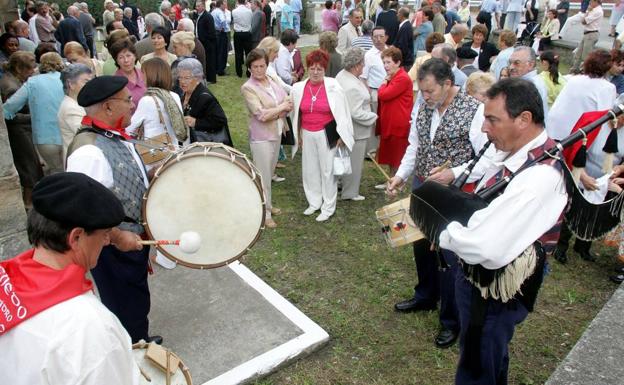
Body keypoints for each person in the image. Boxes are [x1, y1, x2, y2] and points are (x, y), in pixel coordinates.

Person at [420, 77, 566, 385]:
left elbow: (486, 248)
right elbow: (486, 170)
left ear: (524, 119)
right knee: (489, 354)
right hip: (488, 285)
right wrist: (454, 176)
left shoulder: (537, 179)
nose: (484, 128)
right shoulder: (523, 152)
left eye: (492, 119)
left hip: (493, 290)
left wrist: (442, 232)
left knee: (478, 358)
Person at [0, 172, 143, 384]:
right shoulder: (89, 329)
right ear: (76, 237)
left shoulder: (6, 278)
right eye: (104, 233)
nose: (106, 241)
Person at [386, 58, 486, 350]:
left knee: (449, 256)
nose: (425, 96)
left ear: (447, 84)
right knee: (421, 243)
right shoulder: (424, 106)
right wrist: (401, 175)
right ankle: (425, 295)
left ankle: (451, 320)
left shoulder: (474, 111)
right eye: (422, 91)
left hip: (454, 193)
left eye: (429, 91)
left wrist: (453, 173)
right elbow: (415, 146)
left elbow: (485, 158)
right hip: (423, 185)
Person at [65, 75, 161, 345]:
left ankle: (139, 338)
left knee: (136, 296)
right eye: (128, 100)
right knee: (123, 302)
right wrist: (119, 238)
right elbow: (85, 210)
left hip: (130, 239)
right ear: (108, 107)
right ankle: (132, 351)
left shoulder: (111, 135)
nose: (133, 105)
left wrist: (155, 174)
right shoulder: (88, 152)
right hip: (113, 246)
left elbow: (124, 176)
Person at [291, 49, 354, 222]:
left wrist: (342, 135)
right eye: (312, 68)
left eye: (319, 68)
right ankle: (314, 201)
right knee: (310, 169)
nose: (315, 72)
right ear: (308, 68)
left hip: (327, 132)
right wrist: (299, 134)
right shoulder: (298, 88)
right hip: (307, 131)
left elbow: (343, 113)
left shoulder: (333, 86)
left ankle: (328, 206)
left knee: (328, 170)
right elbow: (296, 113)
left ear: (325, 70)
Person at [241, 49, 292, 228]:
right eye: (255, 67)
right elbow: (260, 114)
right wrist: (281, 109)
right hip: (262, 136)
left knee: (269, 173)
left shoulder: (271, 80)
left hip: (277, 131)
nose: (259, 70)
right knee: (263, 176)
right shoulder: (248, 87)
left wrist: (281, 109)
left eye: (262, 66)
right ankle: (265, 213)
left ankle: (268, 204)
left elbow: (287, 101)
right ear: (249, 68)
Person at [3, 52, 65, 175]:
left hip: (45, 138)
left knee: (56, 172)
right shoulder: (68, 80)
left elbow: (8, 109)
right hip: (69, 132)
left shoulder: (32, 82)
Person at [127, 57, 190, 162]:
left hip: (153, 153)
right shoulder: (174, 96)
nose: (141, 77)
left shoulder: (147, 100)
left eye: (143, 73)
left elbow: (130, 128)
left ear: (151, 75)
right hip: (172, 151)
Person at [0, 51, 42, 208]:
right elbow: (9, 116)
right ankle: (28, 204)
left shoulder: (13, 80)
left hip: (22, 131)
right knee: (29, 169)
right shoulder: (10, 86)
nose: (32, 72)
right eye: (29, 69)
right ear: (19, 68)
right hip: (20, 133)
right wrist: (33, 117)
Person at [336, 48, 378, 201]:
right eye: (362, 63)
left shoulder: (343, 75)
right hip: (356, 130)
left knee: (346, 159)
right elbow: (355, 112)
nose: (364, 66)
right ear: (356, 65)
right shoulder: (351, 85)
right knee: (354, 162)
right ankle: (350, 192)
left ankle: (341, 184)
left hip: (349, 129)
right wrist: (374, 116)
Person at [547, 49, 616, 141]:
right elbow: (604, 118)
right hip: (575, 135)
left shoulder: (574, 79)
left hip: (555, 128)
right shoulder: (607, 88)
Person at [178, 58, 232, 146]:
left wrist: (196, 122)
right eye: (180, 77)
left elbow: (220, 120)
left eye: (187, 78)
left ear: (198, 78)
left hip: (207, 147)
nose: (182, 81)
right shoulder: (184, 94)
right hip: (191, 144)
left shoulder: (205, 98)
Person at [376, 46, 413, 177]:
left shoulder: (402, 78)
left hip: (398, 122)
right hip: (390, 120)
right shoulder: (393, 76)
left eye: (388, 62)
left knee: (397, 154)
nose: (385, 66)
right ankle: (391, 178)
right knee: (390, 153)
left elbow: (383, 95)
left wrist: (383, 83)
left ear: (397, 62)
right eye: (384, 62)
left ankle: (395, 180)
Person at [58, 63, 92, 157]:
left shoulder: (77, 103)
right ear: (71, 84)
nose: (90, 85)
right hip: (80, 157)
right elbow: (87, 134)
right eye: (86, 82)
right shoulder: (71, 108)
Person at [508, 46, 549, 117]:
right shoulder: (523, 82)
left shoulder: (531, 86)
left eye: (516, 63)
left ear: (530, 65)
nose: (511, 67)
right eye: (510, 63)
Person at [110, 38, 146, 112]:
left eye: (128, 55)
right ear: (117, 61)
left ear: (135, 56)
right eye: (121, 57)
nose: (126, 60)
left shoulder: (144, 74)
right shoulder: (114, 82)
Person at [570, 0, 603, 74]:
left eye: (591, 1)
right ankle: (574, 70)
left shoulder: (598, 11)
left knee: (586, 55)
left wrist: (587, 11)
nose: (589, 3)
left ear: (596, 2)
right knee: (578, 53)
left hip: (591, 34)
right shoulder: (593, 10)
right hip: (587, 33)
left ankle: (584, 71)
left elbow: (584, 21)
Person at [196, 1, 218, 83]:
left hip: (207, 43)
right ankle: (207, 77)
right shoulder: (200, 16)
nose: (197, 8)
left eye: (198, 6)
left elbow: (211, 32)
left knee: (210, 61)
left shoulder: (207, 16)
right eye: (196, 6)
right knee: (206, 61)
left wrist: (205, 40)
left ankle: (212, 79)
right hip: (202, 42)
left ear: (203, 7)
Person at [232, 0, 254, 78]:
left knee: (238, 53)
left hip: (238, 33)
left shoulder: (234, 11)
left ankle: (239, 73)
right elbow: (250, 21)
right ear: (245, 2)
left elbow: (234, 21)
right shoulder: (249, 11)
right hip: (247, 33)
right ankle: (249, 72)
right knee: (248, 53)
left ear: (238, 1)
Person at [213, 0, 230, 76]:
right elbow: (223, 21)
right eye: (224, 4)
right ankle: (221, 70)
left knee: (217, 51)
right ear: (220, 5)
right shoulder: (220, 12)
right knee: (222, 52)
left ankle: (216, 68)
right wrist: (225, 28)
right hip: (221, 33)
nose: (225, 5)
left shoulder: (213, 12)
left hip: (215, 33)